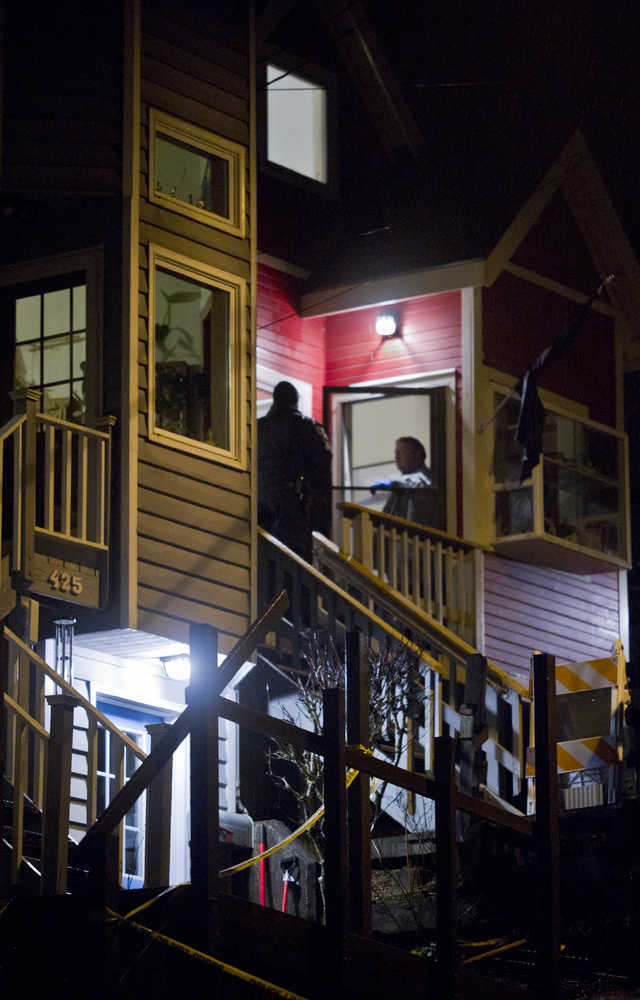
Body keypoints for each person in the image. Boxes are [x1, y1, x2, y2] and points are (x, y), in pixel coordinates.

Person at [258, 381, 332, 561]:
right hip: (293, 501)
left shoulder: (257, 427)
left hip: (259, 500)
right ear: (295, 401)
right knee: (296, 558)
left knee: (263, 555)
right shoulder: (307, 425)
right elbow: (323, 461)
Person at [371, 436, 436, 526]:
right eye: (396, 453)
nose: (397, 457)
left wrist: (389, 482)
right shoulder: (399, 485)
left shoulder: (428, 477)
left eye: (402, 452)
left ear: (417, 454)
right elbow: (386, 516)